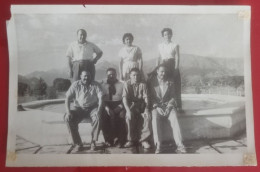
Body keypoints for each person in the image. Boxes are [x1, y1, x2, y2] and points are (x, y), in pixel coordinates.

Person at [147, 65, 186, 154]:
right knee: (155, 119)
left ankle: (180, 145)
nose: (163, 74)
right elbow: (150, 97)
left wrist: (168, 107)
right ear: (157, 71)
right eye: (161, 72)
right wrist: (156, 107)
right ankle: (159, 145)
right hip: (156, 107)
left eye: (165, 72)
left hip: (168, 106)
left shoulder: (170, 82)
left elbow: (173, 97)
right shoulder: (151, 82)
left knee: (174, 117)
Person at [64, 70, 104, 151]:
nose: (86, 78)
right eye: (84, 76)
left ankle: (93, 142)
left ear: (91, 77)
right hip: (79, 109)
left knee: (98, 117)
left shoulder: (95, 84)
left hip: (92, 108)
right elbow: (67, 98)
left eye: (88, 76)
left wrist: (99, 110)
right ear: (81, 77)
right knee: (67, 118)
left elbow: (101, 98)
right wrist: (68, 112)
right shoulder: (75, 84)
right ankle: (78, 143)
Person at [122, 68, 151, 149]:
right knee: (128, 117)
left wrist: (147, 108)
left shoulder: (143, 84)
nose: (136, 77)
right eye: (134, 75)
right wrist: (128, 111)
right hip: (131, 105)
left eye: (138, 75)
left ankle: (144, 140)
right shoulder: (126, 84)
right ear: (130, 76)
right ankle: (130, 140)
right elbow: (124, 98)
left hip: (141, 105)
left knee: (147, 116)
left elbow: (146, 98)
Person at [157, 28, 182, 111]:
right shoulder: (160, 45)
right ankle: (164, 104)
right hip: (163, 65)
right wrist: (157, 68)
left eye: (168, 34)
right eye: (165, 34)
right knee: (164, 84)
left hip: (172, 65)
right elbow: (158, 57)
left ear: (171, 35)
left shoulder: (175, 45)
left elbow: (177, 57)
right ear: (163, 36)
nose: (167, 36)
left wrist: (176, 69)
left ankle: (179, 106)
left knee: (176, 84)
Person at [100, 68, 126, 147]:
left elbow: (125, 98)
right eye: (109, 75)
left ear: (116, 75)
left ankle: (120, 140)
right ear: (106, 75)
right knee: (104, 116)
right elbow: (101, 98)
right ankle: (108, 140)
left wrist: (120, 106)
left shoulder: (122, 84)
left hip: (119, 104)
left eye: (113, 74)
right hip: (106, 104)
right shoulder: (102, 85)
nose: (111, 76)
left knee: (121, 116)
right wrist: (106, 108)